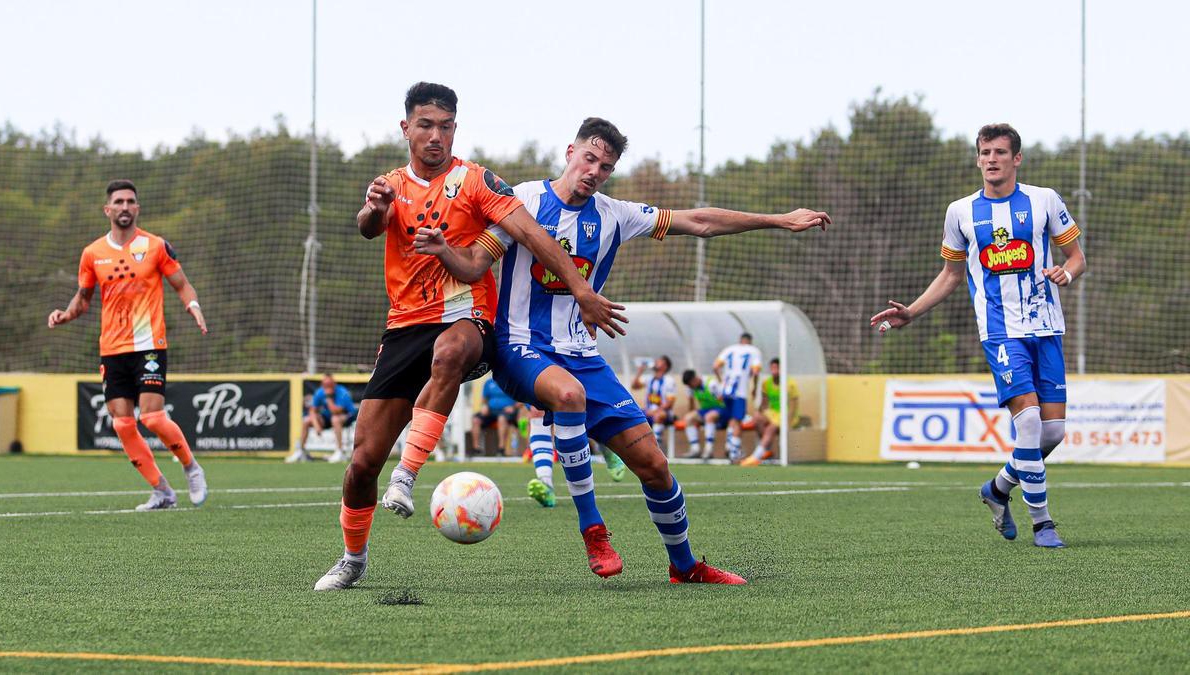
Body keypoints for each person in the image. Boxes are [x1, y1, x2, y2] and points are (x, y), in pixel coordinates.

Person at [415, 117, 829, 584]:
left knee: (655, 467)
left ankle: (685, 566)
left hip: (583, 356)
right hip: (519, 347)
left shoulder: (614, 214)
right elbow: (475, 264)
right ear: (569, 152)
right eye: (589, 158)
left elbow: (700, 222)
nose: (594, 171)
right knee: (567, 397)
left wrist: (778, 219)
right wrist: (443, 249)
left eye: (605, 166)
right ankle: (593, 529)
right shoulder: (522, 200)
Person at [314, 84, 625, 591]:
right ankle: (353, 557)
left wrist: (581, 290)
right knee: (360, 463)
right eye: (425, 125)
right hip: (404, 325)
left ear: (455, 128)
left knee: (453, 350)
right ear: (406, 128)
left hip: (468, 316)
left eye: (446, 126)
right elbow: (368, 227)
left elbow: (531, 234)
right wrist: (374, 207)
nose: (436, 136)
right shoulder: (390, 184)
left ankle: (408, 476)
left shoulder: (478, 180)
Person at [869, 123, 1086, 549]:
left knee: (1052, 434)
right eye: (985, 152)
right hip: (1001, 333)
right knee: (1027, 424)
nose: (991, 159)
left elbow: (1076, 255)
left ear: (1016, 158)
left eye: (1000, 152)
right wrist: (911, 311)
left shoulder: (1045, 200)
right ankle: (1043, 523)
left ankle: (999, 488)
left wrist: (1068, 272)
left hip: (1046, 327)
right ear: (977, 158)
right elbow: (951, 274)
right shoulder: (961, 212)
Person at [48, 179, 209, 511]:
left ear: (137, 208)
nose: (124, 206)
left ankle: (191, 467)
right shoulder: (92, 253)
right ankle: (162, 491)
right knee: (121, 423)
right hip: (112, 347)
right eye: (118, 201)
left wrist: (193, 307)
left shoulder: (155, 246)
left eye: (130, 201)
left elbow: (183, 285)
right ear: (108, 209)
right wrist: (65, 315)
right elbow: (84, 297)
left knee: (151, 417)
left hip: (149, 343)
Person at [714, 333, 763, 462]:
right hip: (739, 390)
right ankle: (734, 453)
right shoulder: (754, 351)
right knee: (738, 421)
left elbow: (715, 367)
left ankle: (729, 447)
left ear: (740, 340)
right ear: (750, 341)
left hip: (725, 389)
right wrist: (754, 386)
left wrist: (721, 383)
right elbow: (756, 371)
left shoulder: (729, 349)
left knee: (732, 420)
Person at [741, 358, 799, 466]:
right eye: (772, 367)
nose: (774, 370)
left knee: (770, 428)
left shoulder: (790, 384)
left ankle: (755, 457)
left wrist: (789, 422)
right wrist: (757, 412)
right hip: (773, 414)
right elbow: (764, 404)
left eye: (777, 367)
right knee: (757, 417)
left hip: (786, 415)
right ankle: (767, 449)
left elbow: (793, 406)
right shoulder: (766, 383)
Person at [288, 374, 358, 463]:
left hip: (347, 416)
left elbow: (336, 411)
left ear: (334, 384)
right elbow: (312, 410)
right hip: (328, 418)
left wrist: (328, 397)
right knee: (306, 421)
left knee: (335, 419)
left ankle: (339, 452)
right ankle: (300, 451)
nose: (327, 387)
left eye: (329, 385)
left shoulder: (342, 392)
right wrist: (316, 425)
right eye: (325, 385)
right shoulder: (320, 392)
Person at [680, 369, 729, 460]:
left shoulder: (711, 384)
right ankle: (695, 449)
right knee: (688, 418)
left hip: (722, 409)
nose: (691, 387)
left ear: (695, 379)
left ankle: (708, 450)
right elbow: (691, 406)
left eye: (691, 385)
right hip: (706, 410)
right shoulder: (690, 388)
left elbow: (724, 400)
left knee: (709, 416)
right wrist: (694, 416)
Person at [631, 356, 676, 449]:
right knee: (633, 415)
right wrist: (640, 371)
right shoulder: (649, 378)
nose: (656, 362)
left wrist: (655, 411)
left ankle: (656, 445)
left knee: (659, 415)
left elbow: (670, 403)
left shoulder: (669, 380)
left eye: (659, 361)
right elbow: (634, 386)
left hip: (664, 413)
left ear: (665, 366)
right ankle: (637, 446)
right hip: (649, 411)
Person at [471, 377, 519, 455]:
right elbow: (484, 399)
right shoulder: (488, 382)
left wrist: (513, 407)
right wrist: (485, 406)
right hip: (491, 411)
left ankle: (501, 449)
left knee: (502, 418)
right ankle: (476, 449)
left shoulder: (512, 381)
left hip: (508, 411)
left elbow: (522, 400)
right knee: (476, 419)